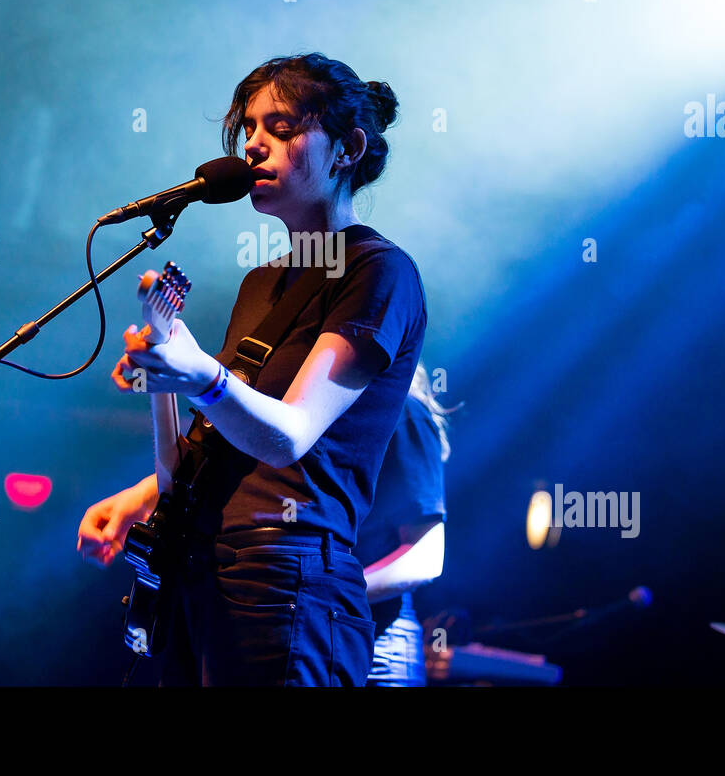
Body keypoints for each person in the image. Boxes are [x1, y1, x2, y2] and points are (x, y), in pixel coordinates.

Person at [78, 53, 426, 686]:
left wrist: (200, 375)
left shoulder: (379, 271)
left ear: (347, 148)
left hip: (285, 578)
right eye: (247, 130)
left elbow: (288, 435)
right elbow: (220, 441)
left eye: (282, 128)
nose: (252, 145)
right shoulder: (261, 283)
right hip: (202, 568)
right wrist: (164, 384)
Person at [358, 362, 454, 686]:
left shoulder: (405, 412)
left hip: (378, 648)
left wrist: (333, 591)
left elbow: (424, 559)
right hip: (338, 634)